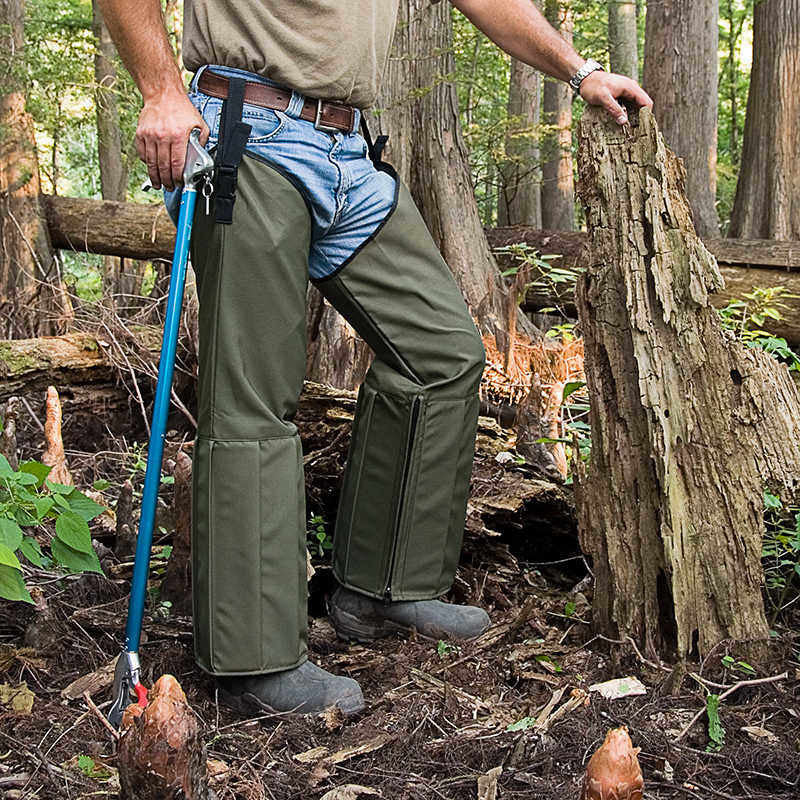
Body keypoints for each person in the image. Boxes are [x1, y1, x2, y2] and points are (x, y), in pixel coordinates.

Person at [99, 0, 653, 717]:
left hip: (348, 152)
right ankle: (253, 660)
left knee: (441, 353)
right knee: (252, 401)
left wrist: (579, 72)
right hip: (248, 135)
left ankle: (385, 586)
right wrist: (161, 91)